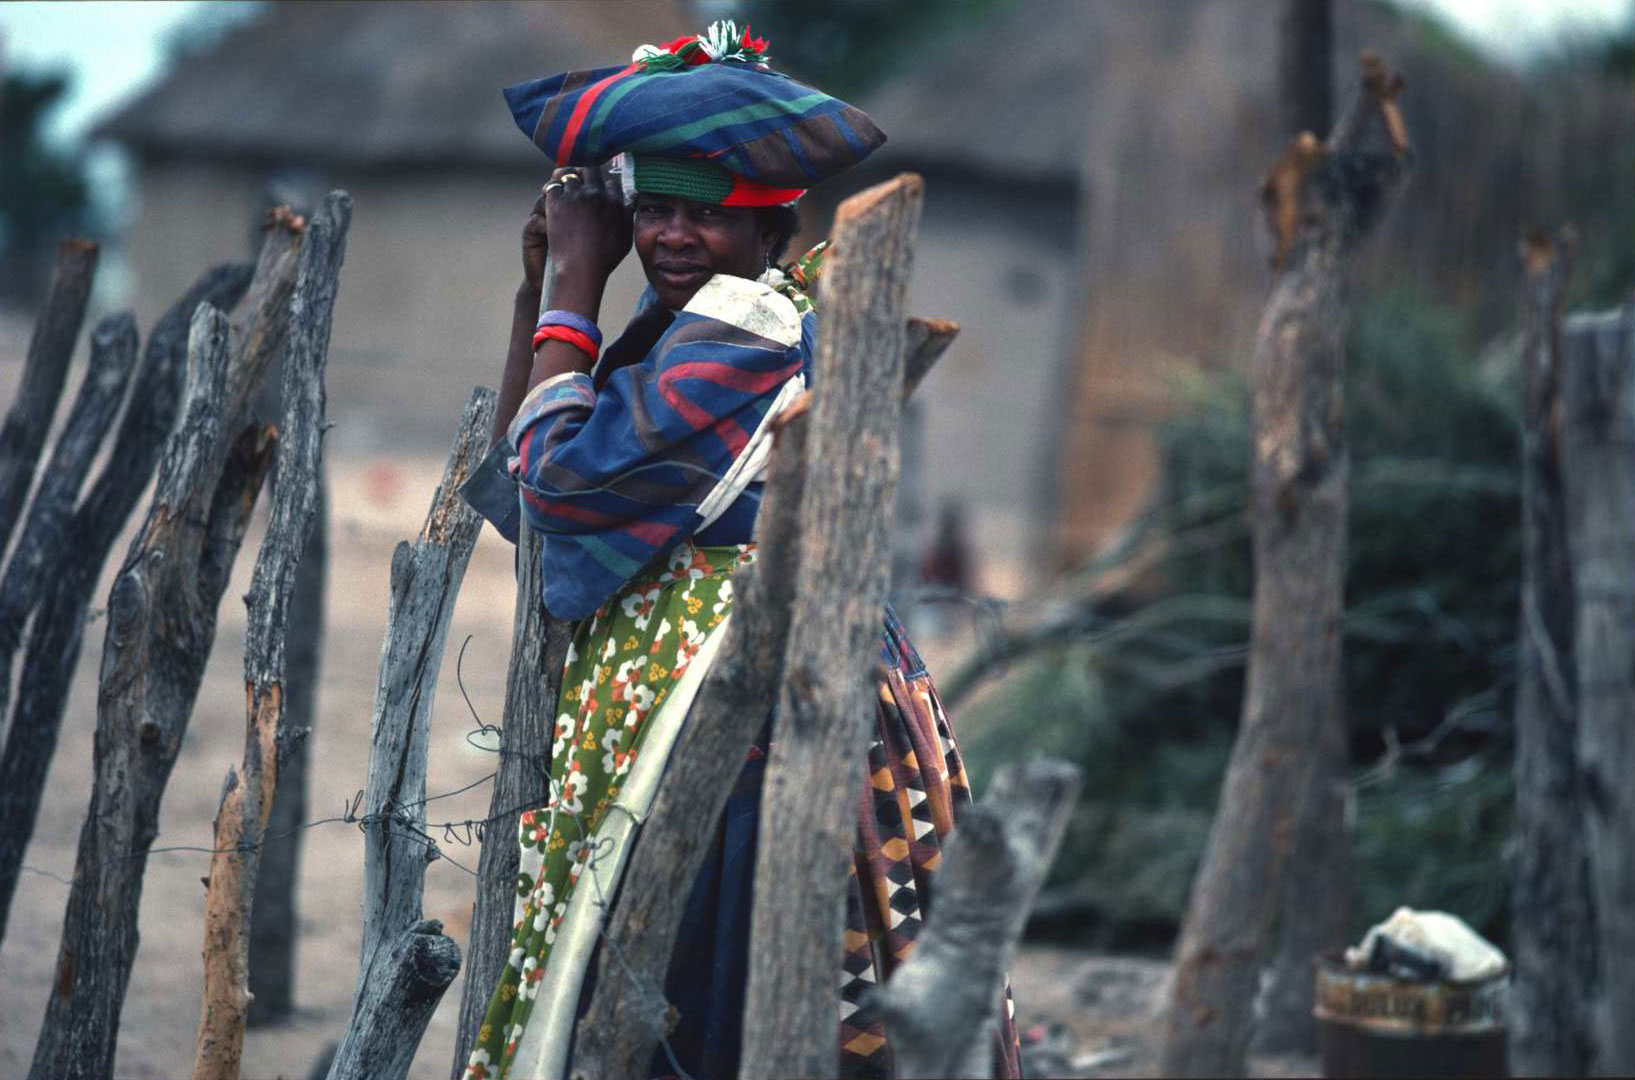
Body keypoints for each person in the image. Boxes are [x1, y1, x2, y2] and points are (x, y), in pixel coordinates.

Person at [458, 22, 1021, 1080]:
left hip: (755, 708)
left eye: (709, 216)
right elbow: (525, 489)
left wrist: (578, 282)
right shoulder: (681, 329)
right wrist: (544, 291)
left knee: (721, 986)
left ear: (779, 227)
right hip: (689, 696)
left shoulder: (747, 335)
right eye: (654, 210)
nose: (672, 237)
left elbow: (568, 486)